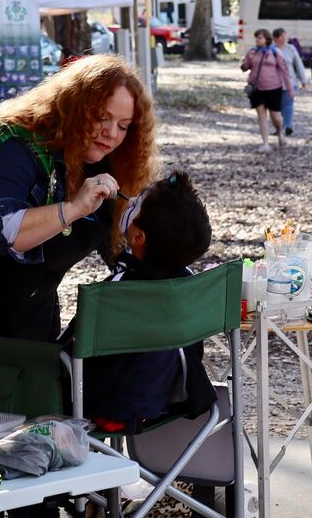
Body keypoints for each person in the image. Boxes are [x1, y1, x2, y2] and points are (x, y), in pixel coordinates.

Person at [0, 54, 157, 518]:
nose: (111, 134)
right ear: (74, 105)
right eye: (102, 118)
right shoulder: (12, 145)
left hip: (30, 288)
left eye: (124, 125)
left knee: (41, 386)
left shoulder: (103, 166)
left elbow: (122, 251)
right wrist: (76, 207)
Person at [81, 170, 215, 431]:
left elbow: (80, 351)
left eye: (136, 203)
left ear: (138, 238)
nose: (128, 201)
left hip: (111, 408)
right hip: (167, 397)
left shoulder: (120, 292)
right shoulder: (186, 283)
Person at [240, 28, 293, 152]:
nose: (257, 40)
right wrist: (248, 59)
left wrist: (290, 89)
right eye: (256, 38)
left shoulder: (275, 52)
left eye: (260, 37)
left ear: (267, 39)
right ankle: (265, 143)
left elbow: (284, 72)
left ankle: (280, 133)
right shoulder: (253, 52)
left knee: (275, 116)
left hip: (273, 88)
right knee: (261, 116)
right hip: (257, 88)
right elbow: (244, 67)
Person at [272, 27, 306, 137]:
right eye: (281, 36)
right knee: (277, 107)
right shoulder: (271, 49)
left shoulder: (291, 49)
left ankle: (288, 126)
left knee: (288, 105)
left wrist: (303, 80)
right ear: (276, 38)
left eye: (284, 35)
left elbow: (298, 64)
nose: (284, 38)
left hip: (290, 82)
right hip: (274, 83)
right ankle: (279, 127)